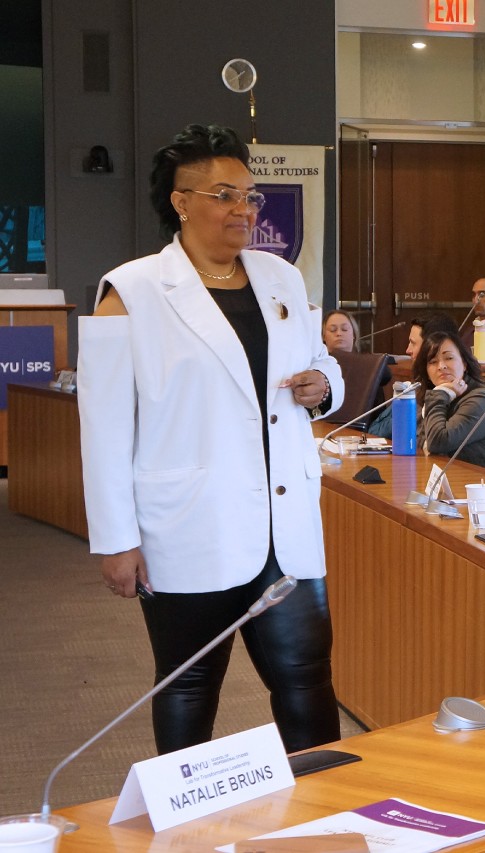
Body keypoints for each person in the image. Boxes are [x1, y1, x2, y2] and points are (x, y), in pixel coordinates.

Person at [77, 123, 345, 754]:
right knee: (189, 686)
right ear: (181, 201)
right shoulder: (131, 292)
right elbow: (104, 427)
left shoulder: (281, 279)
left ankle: (330, 800)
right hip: (190, 524)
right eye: (224, 196)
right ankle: (184, 810)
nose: (243, 209)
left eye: (250, 196)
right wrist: (116, 539)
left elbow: (321, 363)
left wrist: (323, 385)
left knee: (307, 678)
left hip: (285, 522)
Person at [414, 330, 485, 470]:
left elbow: (437, 442)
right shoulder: (438, 395)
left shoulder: (481, 400)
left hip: (480, 479)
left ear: (464, 363)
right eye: (433, 361)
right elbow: (419, 439)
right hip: (448, 474)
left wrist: (440, 394)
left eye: (449, 358)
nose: (441, 366)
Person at [367, 312, 459, 440]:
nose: (408, 350)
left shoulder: (453, 394)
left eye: (413, 343)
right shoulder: (420, 385)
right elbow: (374, 431)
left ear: (431, 346)